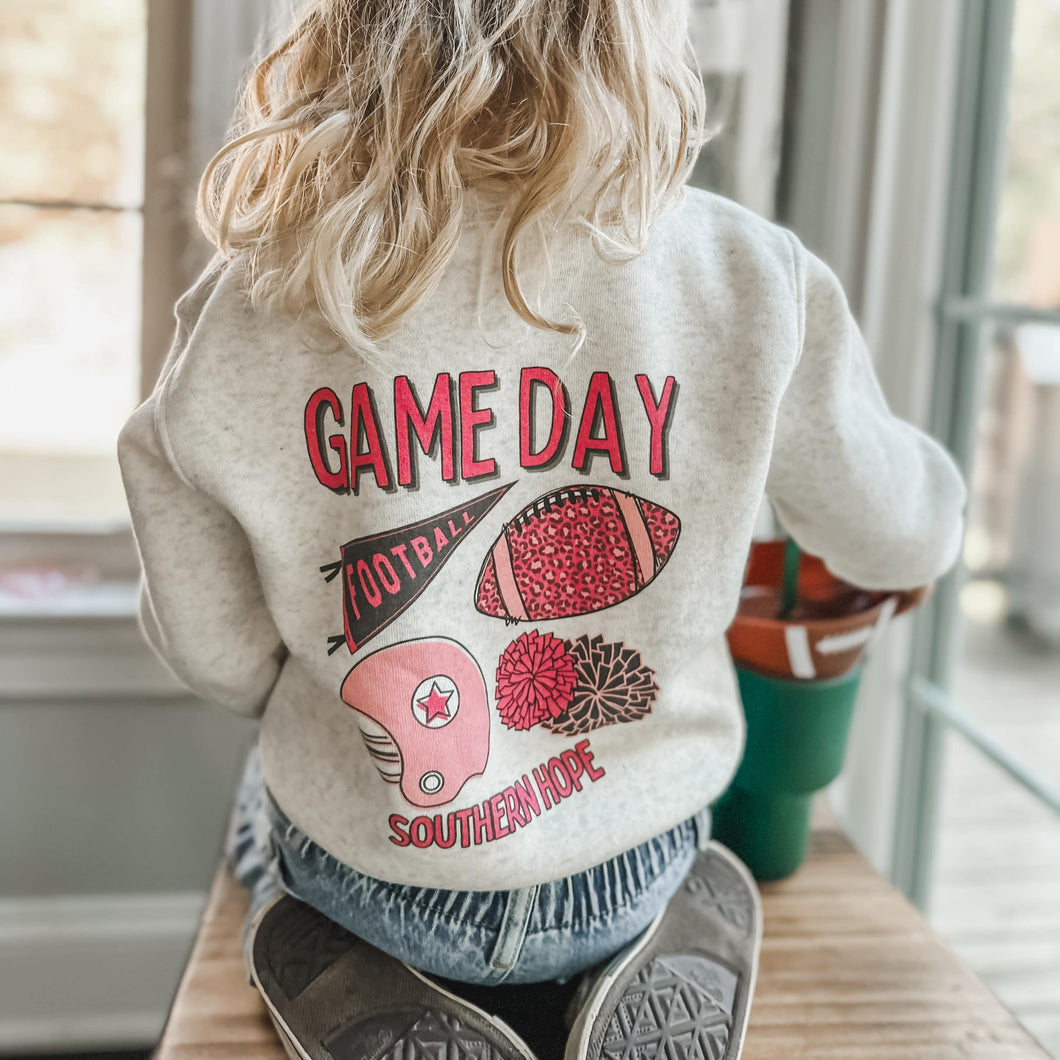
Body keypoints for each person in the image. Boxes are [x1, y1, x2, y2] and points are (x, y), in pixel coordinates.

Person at [117, 0, 968, 1057]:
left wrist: (311, 681)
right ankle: (640, 961)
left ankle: (357, 980)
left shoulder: (254, 303)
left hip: (378, 879)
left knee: (268, 790)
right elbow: (899, 533)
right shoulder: (746, 276)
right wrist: (935, 514)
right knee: (664, 852)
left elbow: (216, 652)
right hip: (630, 862)